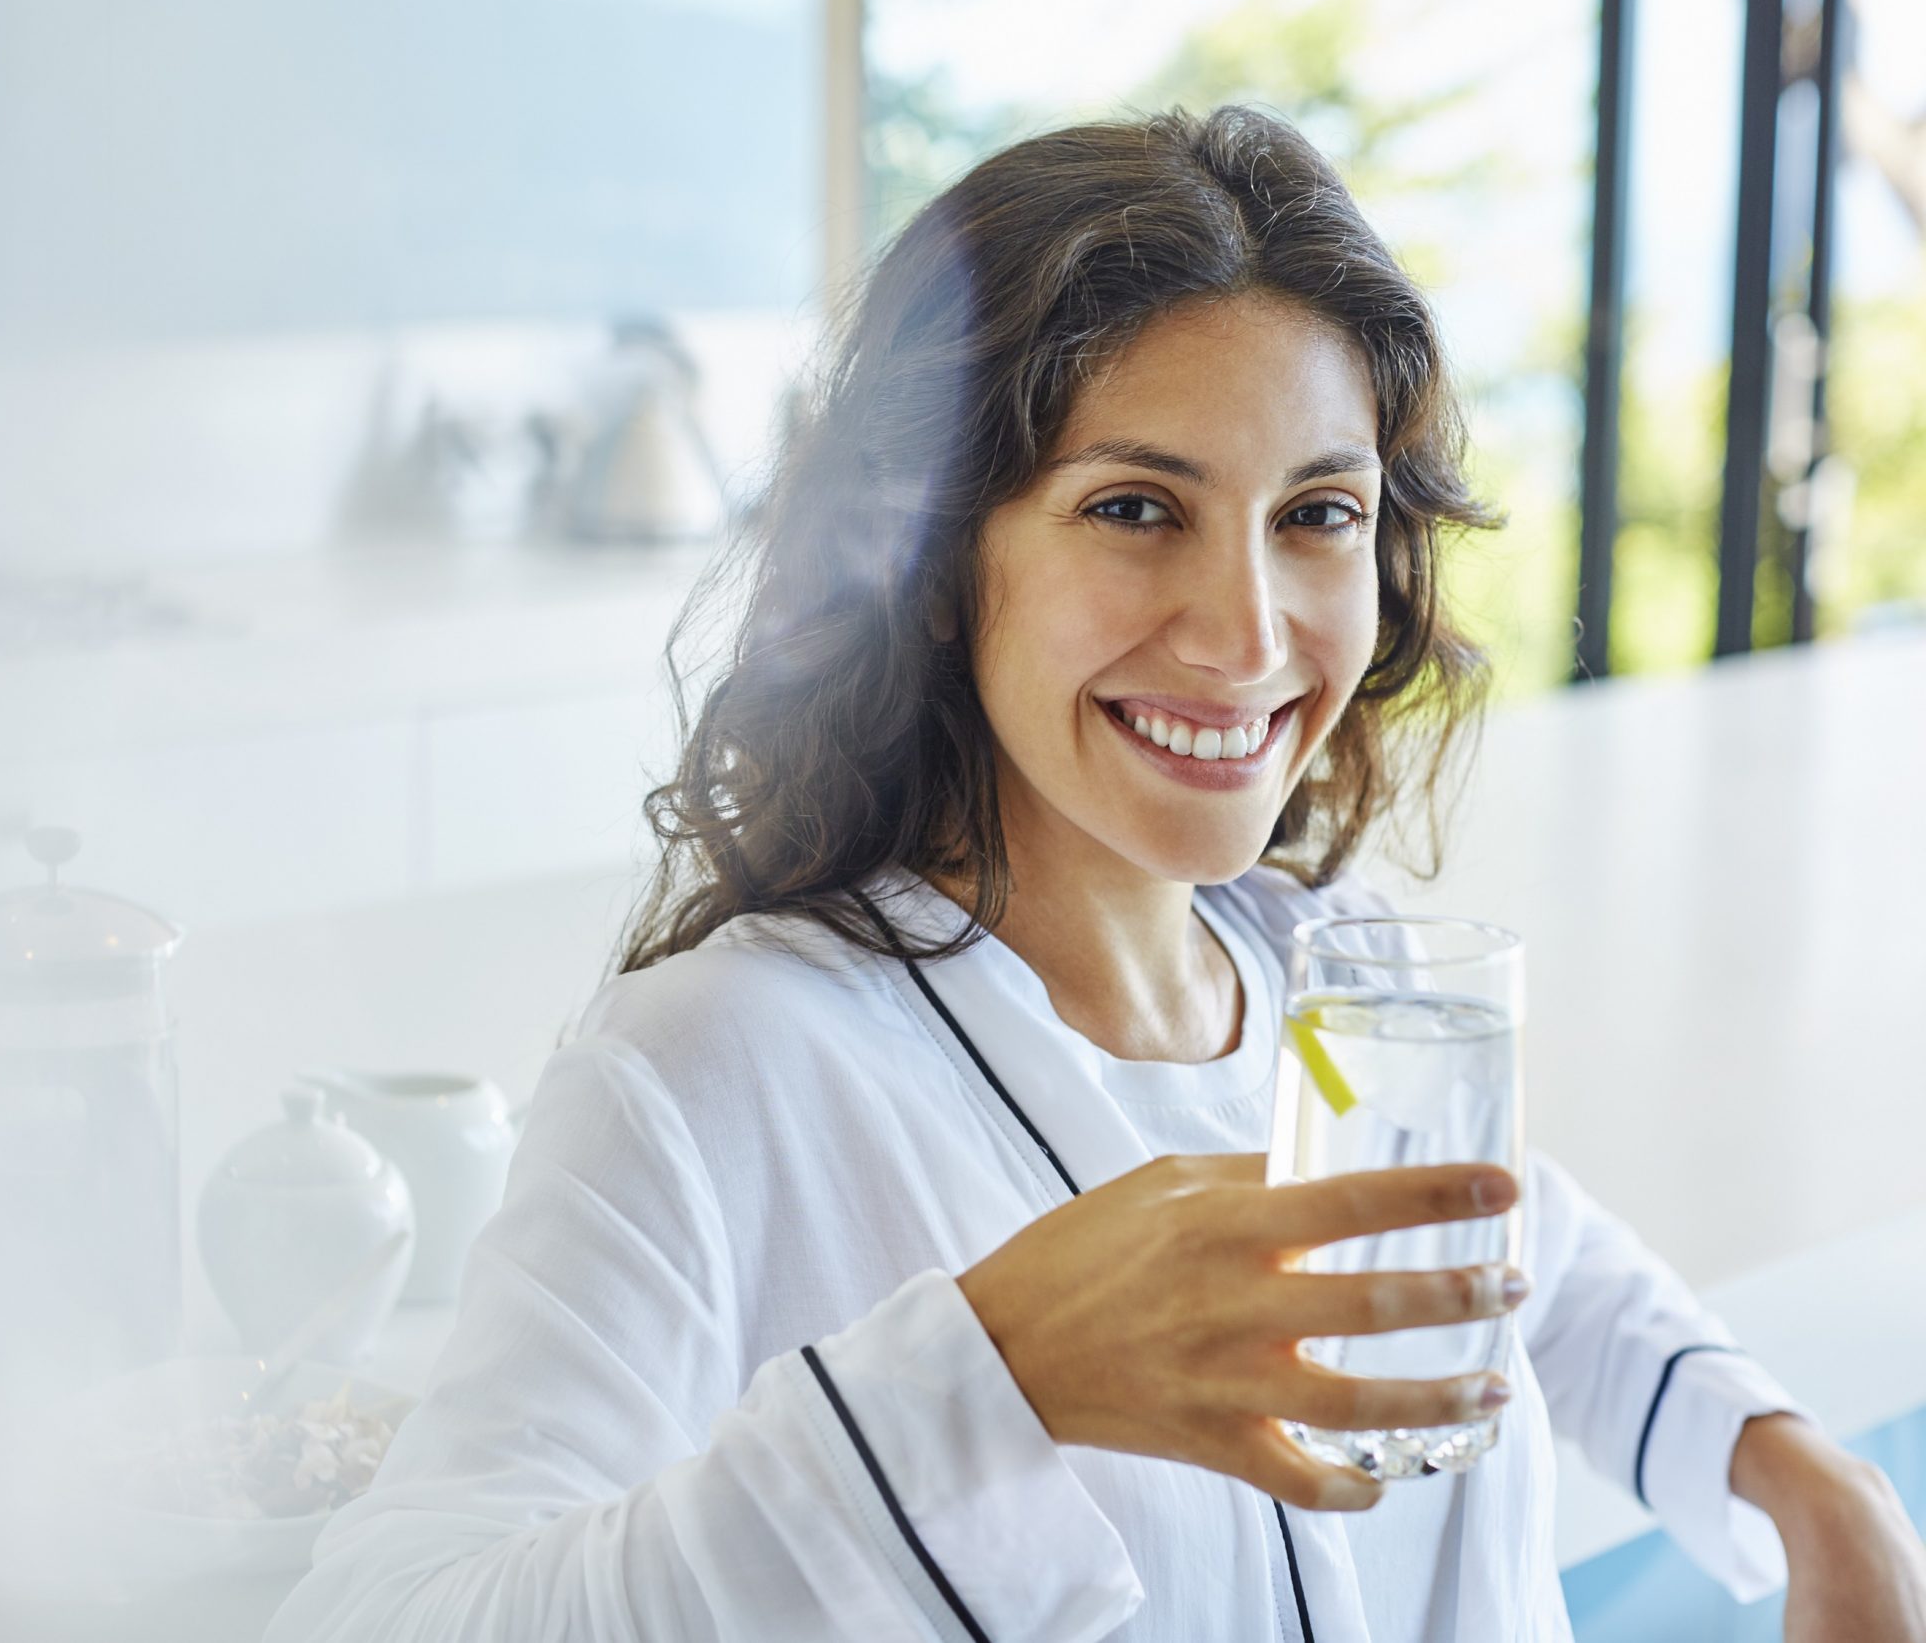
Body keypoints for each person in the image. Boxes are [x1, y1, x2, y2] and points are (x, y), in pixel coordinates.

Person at [266, 106, 1926, 1641]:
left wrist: (1784, 1461)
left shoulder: (1324, 973)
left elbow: (1514, 1248)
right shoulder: (714, 1072)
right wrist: (989, 1381)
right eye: (1138, 507)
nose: (1249, 634)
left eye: (1318, 514)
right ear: (922, 560)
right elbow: (393, 1614)